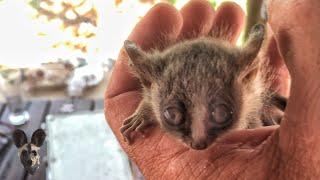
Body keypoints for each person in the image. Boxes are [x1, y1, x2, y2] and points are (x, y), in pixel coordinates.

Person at [105, 0, 320, 179]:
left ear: (248, 78)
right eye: (174, 115)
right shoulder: (156, 89)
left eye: (220, 114)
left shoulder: (249, 97)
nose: (198, 141)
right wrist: (143, 112)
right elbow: (152, 96)